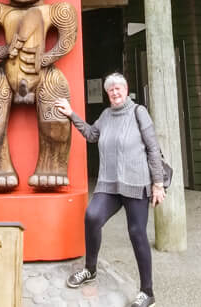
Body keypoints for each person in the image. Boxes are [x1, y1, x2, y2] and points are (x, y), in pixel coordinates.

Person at [56, 73, 165, 307]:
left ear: (126, 90)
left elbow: (153, 149)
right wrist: (71, 114)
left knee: (137, 233)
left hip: (136, 184)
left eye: (118, 88)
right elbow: (92, 135)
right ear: (108, 94)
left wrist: (157, 184)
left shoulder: (139, 113)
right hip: (110, 184)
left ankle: (147, 292)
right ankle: (90, 269)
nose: (115, 93)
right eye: (111, 90)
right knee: (92, 216)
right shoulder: (106, 115)